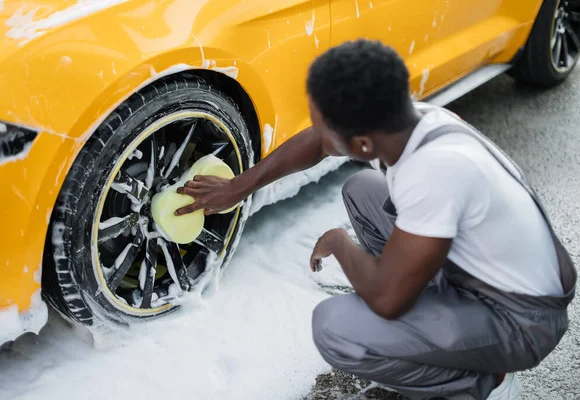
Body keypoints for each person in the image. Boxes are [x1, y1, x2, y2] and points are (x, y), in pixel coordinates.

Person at [173, 39, 577, 400]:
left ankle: (486, 383)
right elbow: (317, 144)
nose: (317, 134)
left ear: (363, 141)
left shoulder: (433, 173)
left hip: (523, 320)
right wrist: (239, 187)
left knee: (337, 329)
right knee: (363, 189)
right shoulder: (410, 121)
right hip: (491, 276)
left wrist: (337, 242)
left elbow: (386, 299)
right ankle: (443, 335)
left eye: (324, 126)